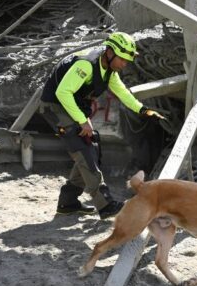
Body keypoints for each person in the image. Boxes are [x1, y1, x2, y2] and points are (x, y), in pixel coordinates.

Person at [39, 32, 164, 218]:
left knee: (91, 146)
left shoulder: (108, 70)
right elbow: (63, 92)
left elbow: (122, 92)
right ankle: (105, 205)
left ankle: (68, 203)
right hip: (55, 107)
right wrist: (82, 121)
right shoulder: (86, 64)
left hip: (70, 107)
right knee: (85, 152)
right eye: (122, 59)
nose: (124, 64)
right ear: (110, 52)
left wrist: (143, 110)